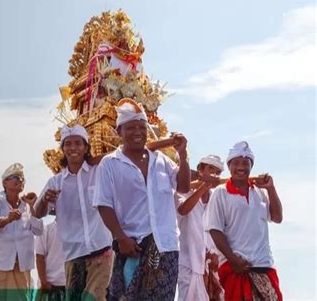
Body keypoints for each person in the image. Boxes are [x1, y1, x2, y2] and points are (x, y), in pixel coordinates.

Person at [93, 99, 190, 300]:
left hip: (166, 247)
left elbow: (183, 187)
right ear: (119, 132)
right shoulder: (109, 164)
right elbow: (104, 204)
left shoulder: (162, 161)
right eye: (130, 128)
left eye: (141, 127)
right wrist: (120, 238)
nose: (137, 132)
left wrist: (183, 155)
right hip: (133, 246)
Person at [34, 125, 113, 301]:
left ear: (86, 147)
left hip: (102, 251)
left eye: (78, 143)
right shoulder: (55, 182)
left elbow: (121, 154)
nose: (73, 148)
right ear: (62, 149)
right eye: (68, 144)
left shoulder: (98, 172)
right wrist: (45, 200)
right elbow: (38, 213)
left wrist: (95, 159)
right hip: (73, 255)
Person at [204, 141, 283, 300]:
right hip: (236, 268)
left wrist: (271, 188)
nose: (241, 167)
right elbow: (215, 230)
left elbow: (277, 217)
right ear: (229, 166)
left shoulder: (259, 191)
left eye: (245, 163)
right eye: (236, 163)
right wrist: (233, 260)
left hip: (263, 265)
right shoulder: (221, 193)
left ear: (251, 166)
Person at [0, 163, 43, 301]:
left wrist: (33, 207)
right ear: (4, 183)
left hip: (20, 268)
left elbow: (38, 230)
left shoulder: (27, 205)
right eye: (14, 177)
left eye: (21, 179)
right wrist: (8, 219)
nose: (18, 181)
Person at [176, 155, 224, 301]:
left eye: (217, 172)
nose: (213, 174)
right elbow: (182, 210)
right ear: (200, 170)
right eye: (210, 169)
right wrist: (203, 188)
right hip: (188, 262)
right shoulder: (183, 191)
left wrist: (214, 253)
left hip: (211, 265)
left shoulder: (217, 199)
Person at [35, 211, 67, 301]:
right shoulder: (46, 229)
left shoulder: (78, 230)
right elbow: (39, 257)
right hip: (51, 286)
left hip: (70, 286)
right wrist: (44, 283)